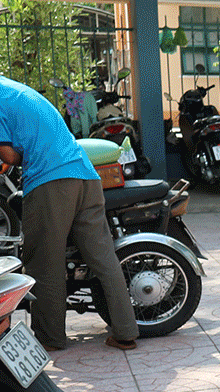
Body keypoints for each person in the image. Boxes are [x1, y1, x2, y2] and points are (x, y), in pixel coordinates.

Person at [0, 73, 138, 351]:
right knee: (103, 259)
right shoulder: (16, 91)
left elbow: (10, 157)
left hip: (51, 182)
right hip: (86, 174)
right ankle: (126, 332)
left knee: (43, 262)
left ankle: (50, 339)